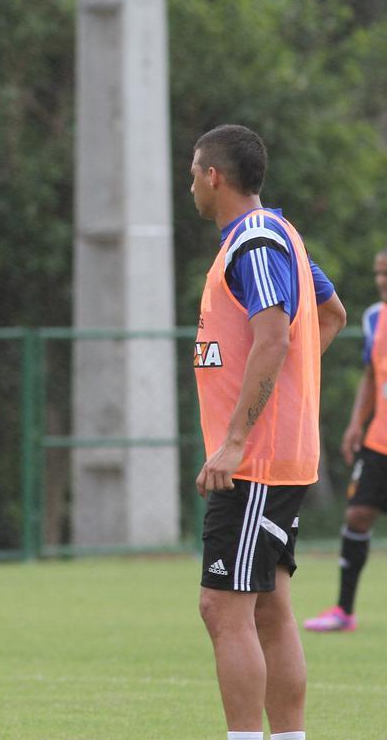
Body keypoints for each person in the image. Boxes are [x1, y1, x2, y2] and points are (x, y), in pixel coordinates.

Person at [190, 124, 346, 740]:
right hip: (273, 456)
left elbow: (276, 334)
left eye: (193, 174)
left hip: (253, 463)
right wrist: (290, 389)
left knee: (223, 609)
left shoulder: (254, 242)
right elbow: (328, 315)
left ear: (214, 177)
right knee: (270, 610)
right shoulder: (276, 237)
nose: (191, 186)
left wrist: (235, 438)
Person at [304, 249, 387, 633]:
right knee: (357, 514)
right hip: (378, 440)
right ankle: (344, 610)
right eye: (378, 273)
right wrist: (356, 423)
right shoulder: (374, 318)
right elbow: (372, 375)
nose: (382, 281)